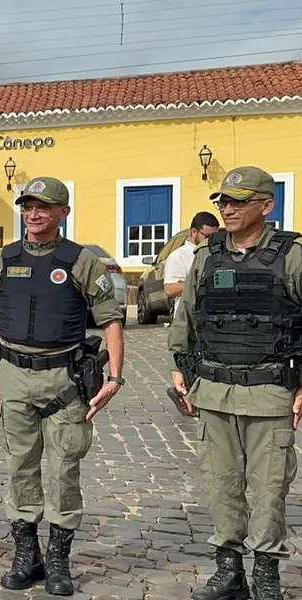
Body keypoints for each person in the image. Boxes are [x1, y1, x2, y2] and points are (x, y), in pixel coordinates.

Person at [0, 176, 125, 597]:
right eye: (28, 206)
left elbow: (111, 320)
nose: (34, 213)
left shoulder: (81, 262)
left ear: (63, 212)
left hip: (66, 379)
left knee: (64, 469)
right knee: (19, 466)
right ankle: (27, 555)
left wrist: (115, 376)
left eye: (44, 206)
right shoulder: (2, 260)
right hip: (14, 375)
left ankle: (59, 557)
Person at [168, 166, 301, 600]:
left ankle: (266, 576)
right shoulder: (208, 255)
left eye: (238, 201)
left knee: (268, 491)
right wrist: (177, 363)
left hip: (271, 392)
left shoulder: (293, 254)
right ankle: (229, 572)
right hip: (215, 390)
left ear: (267, 205)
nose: (228, 209)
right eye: (223, 202)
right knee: (221, 484)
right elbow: (187, 311)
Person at [162, 211, 220, 415]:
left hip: (210, 317)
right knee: (189, 362)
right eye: (207, 236)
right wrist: (197, 284)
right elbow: (169, 288)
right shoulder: (179, 256)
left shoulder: (216, 252)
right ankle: (186, 396)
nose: (211, 240)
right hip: (186, 317)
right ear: (194, 232)